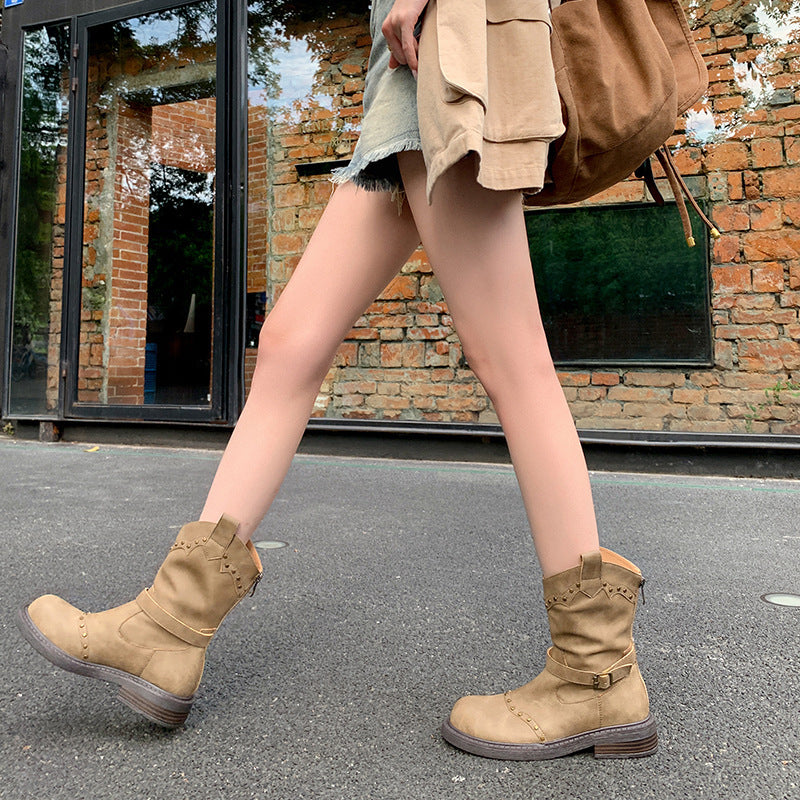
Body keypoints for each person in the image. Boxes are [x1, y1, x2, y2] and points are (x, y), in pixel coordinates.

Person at [16, 0, 657, 759]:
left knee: (509, 357)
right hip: (407, 80)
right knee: (289, 342)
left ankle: (596, 673)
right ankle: (169, 627)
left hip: (451, 49)